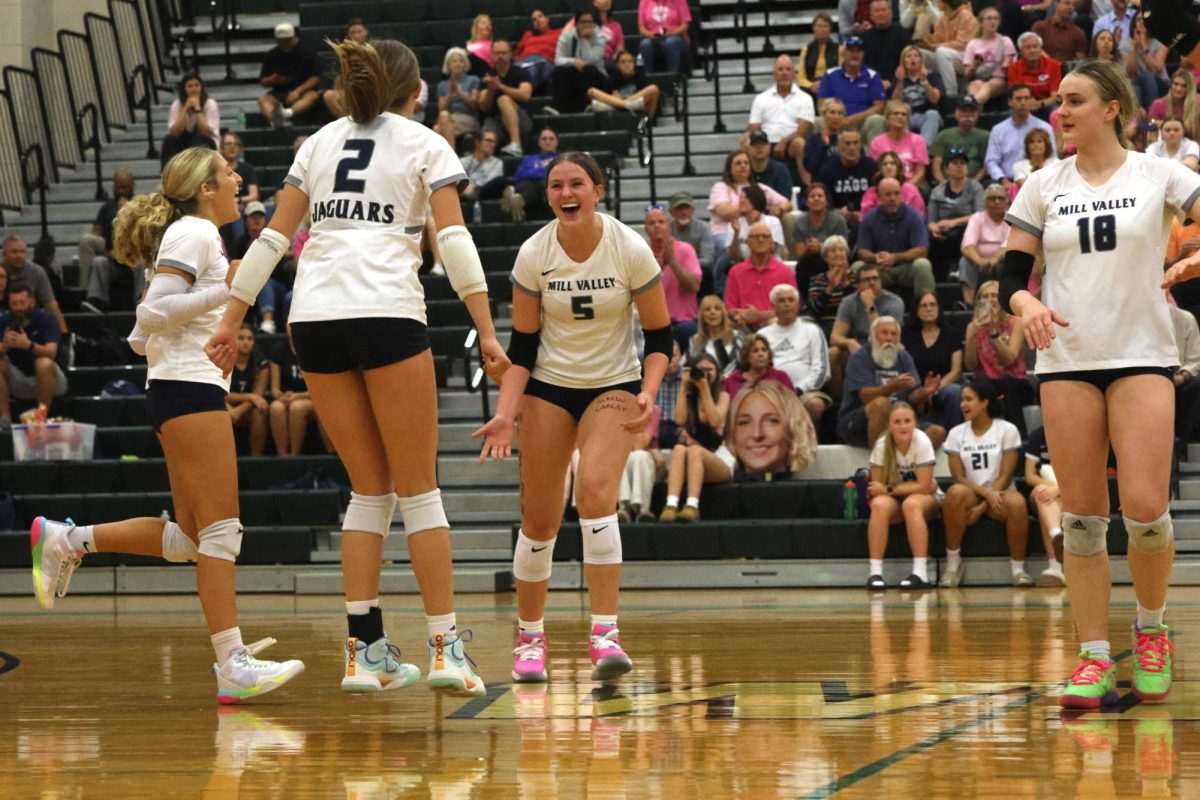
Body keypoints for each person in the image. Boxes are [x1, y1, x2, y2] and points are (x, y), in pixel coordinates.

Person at [207, 39, 507, 696]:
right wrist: (486, 329)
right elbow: (452, 240)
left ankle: (364, 652)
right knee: (418, 489)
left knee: (370, 491)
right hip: (385, 312)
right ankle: (446, 649)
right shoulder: (427, 142)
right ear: (415, 90)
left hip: (314, 320)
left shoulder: (317, 143)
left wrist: (231, 321)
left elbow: (272, 240)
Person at [31, 146, 305, 702]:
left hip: (179, 387)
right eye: (228, 174)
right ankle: (232, 661)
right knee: (221, 534)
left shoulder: (194, 235)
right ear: (206, 187)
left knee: (191, 540)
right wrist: (229, 288)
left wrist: (207, 320)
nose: (237, 180)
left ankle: (68, 538)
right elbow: (150, 315)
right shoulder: (196, 234)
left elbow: (144, 335)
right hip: (187, 391)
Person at [1002, 59, 1200, 707]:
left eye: (1074, 101)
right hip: (1066, 360)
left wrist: (1194, 254)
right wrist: (1025, 305)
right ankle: (1091, 654)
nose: (1060, 111)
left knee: (1144, 509)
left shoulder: (1158, 171)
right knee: (1083, 519)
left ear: (1111, 108)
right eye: (1059, 101)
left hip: (1142, 353)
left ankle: (1150, 630)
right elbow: (1008, 276)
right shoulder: (1041, 184)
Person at [473, 150, 670, 684]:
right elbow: (523, 348)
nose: (566, 192)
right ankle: (530, 639)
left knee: (596, 496)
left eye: (577, 183)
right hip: (549, 387)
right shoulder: (534, 254)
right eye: (557, 184)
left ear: (597, 190)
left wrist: (650, 391)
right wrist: (505, 415)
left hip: (614, 384)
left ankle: (604, 634)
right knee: (539, 518)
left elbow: (659, 338)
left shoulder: (629, 248)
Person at [939, 379, 1030, 588]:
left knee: (1017, 503)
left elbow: (1006, 475)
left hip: (1001, 493)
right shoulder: (956, 433)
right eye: (962, 400)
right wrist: (984, 495)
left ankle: (1018, 570)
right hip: (972, 493)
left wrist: (984, 505)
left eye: (968, 399)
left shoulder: (1007, 429)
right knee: (954, 492)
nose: (963, 404)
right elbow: (959, 477)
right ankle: (953, 566)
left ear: (984, 403)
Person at [865, 402, 940, 589]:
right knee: (879, 505)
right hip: (897, 501)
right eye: (897, 421)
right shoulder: (882, 445)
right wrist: (893, 490)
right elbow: (876, 488)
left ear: (915, 423)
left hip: (926, 500)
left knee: (912, 504)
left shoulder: (922, 441)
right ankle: (875, 574)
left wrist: (890, 489)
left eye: (907, 421)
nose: (902, 426)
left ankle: (920, 573)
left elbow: (924, 487)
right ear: (889, 426)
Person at [838, 315, 943, 448]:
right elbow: (865, 396)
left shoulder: (904, 357)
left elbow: (912, 397)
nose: (889, 338)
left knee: (937, 433)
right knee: (881, 404)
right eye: (884, 333)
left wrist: (925, 391)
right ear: (873, 336)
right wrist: (892, 387)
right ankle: (880, 466)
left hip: (897, 418)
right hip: (857, 421)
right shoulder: (860, 357)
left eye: (894, 334)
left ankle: (903, 467)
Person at [659, 353, 732, 522]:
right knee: (679, 449)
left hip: (718, 457)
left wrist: (704, 389)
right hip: (693, 460)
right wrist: (684, 387)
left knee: (695, 451)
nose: (704, 374)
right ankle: (671, 505)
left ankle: (692, 506)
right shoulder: (689, 396)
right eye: (700, 370)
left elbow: (715, 420)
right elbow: (679, 420)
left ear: (718, 372)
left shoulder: (723, 396)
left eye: (709, 370)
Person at [964, 280, 1033, 433]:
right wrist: (970, 337)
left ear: (1002, 298)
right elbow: (970, 365)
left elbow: (1010, 359)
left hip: (1016, 382)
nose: (990, 300)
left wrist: (994, 332)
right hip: (987, 383)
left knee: (1005, 381)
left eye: (994, 295)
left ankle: (1019, 437)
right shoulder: (975, 326)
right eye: (985, 296)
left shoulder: (1016, 322)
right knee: (978, 384)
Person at [758, 284, 832, 425]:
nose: (787, 304)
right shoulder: (763, 334)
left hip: (805, 392)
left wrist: (798, 389)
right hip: (770, 391)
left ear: (798, 305)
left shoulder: (812, 330)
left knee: (815, 404)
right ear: (773, 306)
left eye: (790, 300)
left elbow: (822, 371)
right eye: (781, 301)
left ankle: (807, 444)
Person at [854, 177, 935, 298]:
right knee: (857, 267)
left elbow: (922, 249)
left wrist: (895, 257)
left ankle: (926, 311)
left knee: (922, 264)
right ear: (879, 197)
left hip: (905, 268)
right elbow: (862, 251)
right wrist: (876, 257)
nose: (893, 198)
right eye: (888, 195)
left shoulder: (914, 216)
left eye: (897, 194)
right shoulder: (869, 218)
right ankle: (864, 311)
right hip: (879, 270)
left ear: (902, 195)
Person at [0, 282, 67, 423]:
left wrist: (29, 345)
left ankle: (41, 417)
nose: (18, 308)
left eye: (22, 303)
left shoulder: (47, 319)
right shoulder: (4, 321)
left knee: (43, 363)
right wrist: (4, 346)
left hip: (52, 380)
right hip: (19, 380)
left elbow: (51, 353)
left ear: (32, 302)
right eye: (14, 304)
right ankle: (5, 419)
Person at [708, 148, 789, 258]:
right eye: (738, 163)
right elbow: (725, 212)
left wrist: (780, 209)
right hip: (724, 231)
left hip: (757, 232)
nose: (743, 166)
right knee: (726, 252)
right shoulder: (721, 187)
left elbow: (786, 203)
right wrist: (753, 207)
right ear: (729, 168)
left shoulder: (759, 188)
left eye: (746, 163)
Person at [728, 378, 818, 476]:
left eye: (772, 421)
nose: (757, 434)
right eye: (744, 422)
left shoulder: (827, 489)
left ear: (794, 429)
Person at [743, 55, 816, 175]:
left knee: (799, 143)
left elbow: (804, 128)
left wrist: (784, 141)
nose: (784, 73)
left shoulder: (805, 98)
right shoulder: (761, 98)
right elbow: (754, 126)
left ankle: (805, 179)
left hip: (791, 144)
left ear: (794, 73)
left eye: (788, 69)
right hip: (764, 142)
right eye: (780, 69)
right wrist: (746, 136)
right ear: (774, 74)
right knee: (745, 142)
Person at [904, 290, 963, 429]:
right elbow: (902, 365)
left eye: (932, 305)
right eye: (924, 305)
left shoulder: (952, 334)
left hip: (944, 383)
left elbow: (956, 371)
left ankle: (952, 439)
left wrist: (933, 389)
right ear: (916, 310)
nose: (929, 308)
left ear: (939, 308)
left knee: (955, 392)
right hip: (914, 385)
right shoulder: (906, 335)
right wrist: (923, 391)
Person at [644, 204, 702, 347]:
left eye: (661, 222)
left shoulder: (686, 249)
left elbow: (694, 286)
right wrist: (662, 265)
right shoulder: (641, 253)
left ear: (669, 226)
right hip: (653, 323)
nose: (657, 226)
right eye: (652, 223)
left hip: (683, 322)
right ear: (645, 229)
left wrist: (673, 262)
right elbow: (638, 291)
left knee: (687, 329)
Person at [724, 220, 798, 330]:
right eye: (755, 236)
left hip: (777, 327)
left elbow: (793, 309)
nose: (760, 239)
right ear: (748, 242)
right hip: (744, 327)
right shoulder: (736, 272)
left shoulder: (785, 272)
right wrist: (742, 315)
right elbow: (730, 308)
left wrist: (759, 315)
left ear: (772, 243)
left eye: (765, 236)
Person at [817, 36, 888, 143]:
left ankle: (875, 158)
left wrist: (852, 120)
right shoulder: (830, 74)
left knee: (877, 120)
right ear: (843, 53)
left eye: (858, 51)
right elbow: (822, 104)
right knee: (817, 121)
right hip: (835, 123)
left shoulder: (872, 75)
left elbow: (879, 106)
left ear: (863, 54)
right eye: (850, 51)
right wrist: (836, 120)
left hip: (862, 124)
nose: (854, 55)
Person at [926, 148, 984, 277]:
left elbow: (980, 215)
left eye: (963, 163)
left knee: (965, 232)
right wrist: (934, 228)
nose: (960, 167)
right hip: (944, 232)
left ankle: (961, 271)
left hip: (967, 228)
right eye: (955, 163)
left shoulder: (975, 187)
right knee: (933, 239)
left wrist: (955, 222)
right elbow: (931, 220)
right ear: (947, 169)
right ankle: (938, 277)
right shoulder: (937, 191)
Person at [985, 84, 1055, 186]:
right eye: (1018, 99)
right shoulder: (998, 130)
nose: (1023, 103)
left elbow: (1052, 157)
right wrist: (1003, 180)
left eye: (1027, 98)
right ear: (1009, 102)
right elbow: (991, 161)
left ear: (1032, 101)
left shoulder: (1044, 128)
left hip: (1040, 182)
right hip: (1006, 182)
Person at [1023, 424, 1066, 587]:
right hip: (1046, 487)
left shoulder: (1080, 431)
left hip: (1072, 491)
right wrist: (1054, 488)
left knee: (1048, 500)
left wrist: (1060, 489)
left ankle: (1055, 567)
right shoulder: (1038, 435)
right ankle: (1057, 536)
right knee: (1042, 493)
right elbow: (1029, 476)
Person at [257, 23, 322, 128]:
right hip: (279, 92)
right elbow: (263, 81)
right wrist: (273, 79)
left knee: (312, 96)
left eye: (287, 41)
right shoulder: (272, 54)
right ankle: (275, 120)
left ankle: (287, 114)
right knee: (263, 99)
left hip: (303, 91)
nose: (284, 44)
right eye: (280, 41)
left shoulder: (307, 52)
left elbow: (316, 77)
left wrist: (297, 91)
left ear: (295, 38)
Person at [830, 263, 906, 354]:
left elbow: (882, 335)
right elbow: (834, 337)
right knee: (833, 353)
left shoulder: (894, 301)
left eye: (875, 278)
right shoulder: (849, 301)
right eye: (866, 280)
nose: (872, 283)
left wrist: (869, 304)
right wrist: (849, 342)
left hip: (886, 347)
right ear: (858, 285)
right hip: (858, 347)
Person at [267, 328, 319, 456]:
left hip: (309, 397)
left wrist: (297, 396)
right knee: (276, 407)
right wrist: (280, 395)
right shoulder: (278, 350)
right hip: (287, 396)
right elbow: (274, 389)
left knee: (297, 408)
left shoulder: (315, 350)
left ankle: (295, 455)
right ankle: (283, 456)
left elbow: (319, 390)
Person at [792, 183, 850, 298]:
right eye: (812, 196)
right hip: (809, 260)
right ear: (807, 202)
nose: (816, 199)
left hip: (833, 260)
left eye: (820, 196)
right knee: (802, 265)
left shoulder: (838, 221)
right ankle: (807, 302)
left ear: (826, 201)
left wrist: (821, 248)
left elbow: (844, 249)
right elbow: (799, 253)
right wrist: (809, 248)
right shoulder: (799, 223)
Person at [817, 127, 878, 234]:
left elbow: (880, 197)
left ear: (861, 145)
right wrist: (836, 212)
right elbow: (822, 200)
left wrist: (863, 213)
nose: (852, 147)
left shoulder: (872, 167)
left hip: (869, 219)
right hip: (836, 220)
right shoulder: (827, 169)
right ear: (839, 146)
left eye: (855, 143)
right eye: (847, 143)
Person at [959, 183, 1011, 305]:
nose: (997, 201)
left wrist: (996, 258)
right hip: (980, 262)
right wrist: (980, 261)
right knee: (965, 262)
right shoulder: (977, 218)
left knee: (1011, 260)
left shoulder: (1012, 218)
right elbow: (967, 245)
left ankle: (1006, 304)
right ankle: (969, 305)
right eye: (992, 198)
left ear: (1007, 201)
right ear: (985, 202)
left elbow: (1011, 243)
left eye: (1001, 198)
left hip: (1003, 259)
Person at [480, 40, 533, 158]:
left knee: (503, 99)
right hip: (496, 120)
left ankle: (516, 144)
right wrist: (490, 89)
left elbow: (525, 95)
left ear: (510, 54)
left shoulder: (520, 72)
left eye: (504, 53)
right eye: (497, 53)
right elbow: (484, 107)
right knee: (486, 137)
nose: (500, 57)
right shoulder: (489, 75)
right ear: (492, 55)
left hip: (521, 119)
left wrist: (501, 87)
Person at [550, 9, 610, 114]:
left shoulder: (600, 37)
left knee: (588, 70)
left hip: (596, 75)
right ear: (576, 24)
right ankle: (560, 109)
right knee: (559, 71)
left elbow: (590, 60)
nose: (587, 25)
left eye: (590, 22)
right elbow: (557, 59)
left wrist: (585, 39)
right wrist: (573, 61)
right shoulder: (566, 36)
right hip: (574, 73)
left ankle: (585, 107)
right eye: (583, 22)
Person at [2, 237, 66, 333]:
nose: (19, 256)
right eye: (14, 252)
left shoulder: (37, 271)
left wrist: (64, 334)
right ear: (4, 255)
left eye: (22, 252)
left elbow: (51, 305)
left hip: (31, 324)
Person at [915, 0, 978, 95]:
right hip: (948, 55)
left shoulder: (966, 16)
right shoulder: (942, 18)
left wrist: (933, 46)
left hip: (966, 59)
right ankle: (924, 90)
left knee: (942, 52)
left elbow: (962, 44)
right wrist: (923, 38)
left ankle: (951, 94)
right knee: (920, 53)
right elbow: (936, 40)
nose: (937, 2)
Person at [227, 323, 268, 456]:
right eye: (241, 338)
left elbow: (259, 397)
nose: (246, 342)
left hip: (249, 409)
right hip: (227, 406)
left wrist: (238, 411)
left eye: (250, 339)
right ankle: (223, 458)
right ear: (233, 339)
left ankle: (256, 458)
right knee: (218, 408)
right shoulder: (225, 360)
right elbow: (220, 394)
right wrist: (249, 397)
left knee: (260, 411)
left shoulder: (261, 363)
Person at [162, 73, 219, 166]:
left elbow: (207, 131)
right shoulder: (177, 104)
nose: (194, 89)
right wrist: (185, 108)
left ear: (201, 87)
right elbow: (174, 131)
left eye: (197, 85)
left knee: (201, 140)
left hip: (206, 141)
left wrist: (197, 108)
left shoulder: (210, 103)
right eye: (190, 86)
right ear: (184, 89)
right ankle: (167, 174)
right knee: (169, 140)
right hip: (184, 141)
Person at [963, 8, 1016, 108]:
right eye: (989, 19)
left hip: (999, 79)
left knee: (988, 85)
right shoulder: (973, 44)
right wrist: (974, 66)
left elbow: (1008, 64)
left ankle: (970, 105)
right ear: (981, 23)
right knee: (975, 86)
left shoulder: (1005, 41)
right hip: (979, 77)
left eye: (996, 19)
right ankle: (972, 109)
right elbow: (967, 74)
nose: (993, 22)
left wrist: (1006, 64)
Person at [931, 95, 989, 184]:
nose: (967, 114)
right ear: (956, 113)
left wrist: (973, 184)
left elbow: (987, 166)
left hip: (977, 184)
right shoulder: (943, 136)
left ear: (977, 114)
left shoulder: (986, 136)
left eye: (971, 111)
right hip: (946, 184)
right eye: (963, 111)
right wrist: (946, 186)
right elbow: (936, 168)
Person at [869, 101, 930, 186]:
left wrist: (906, 187)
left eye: (904, 114)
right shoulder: (877, 142)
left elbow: (920, 172)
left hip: (912, 184)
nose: (900, 117)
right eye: (896, 113)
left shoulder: (918, 140)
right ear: (887, 117)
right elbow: (876, 171)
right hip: (886, 185)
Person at [588, 47, 661, 117]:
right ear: (618, 65)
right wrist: (615, 99)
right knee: (591, 91)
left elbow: (649, 102)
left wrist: (623, 100)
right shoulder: (612, 78)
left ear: (634, 64)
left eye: (630, 61)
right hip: (616, 107)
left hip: (637, 108)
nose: (627, 64)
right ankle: (625, 104)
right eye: (623, 62)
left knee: (653, 89)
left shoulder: (641, 78)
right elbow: (606, 96)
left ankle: (625, 104)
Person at [892, 47, 942, 147]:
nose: (913, 59)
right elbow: (895, 102)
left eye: (916, 56)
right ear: (903, 61)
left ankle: (924, 148)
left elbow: (935, 100)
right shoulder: (898, 77)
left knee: (933, 114)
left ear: (921, 60)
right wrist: (900, 81)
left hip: (926, 115)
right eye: (909, 56)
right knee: (899, 116)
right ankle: (905, 149)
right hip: (907, 117)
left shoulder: (932, 76)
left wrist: (924, 81)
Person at [1119, 11, 1169, 111]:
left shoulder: (1161, 42)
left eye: (1145, 19)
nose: (1142, 22)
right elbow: (1130, 73)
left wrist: (1143, 45)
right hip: (1136, 81)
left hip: (1160, 82)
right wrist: (1136, 47)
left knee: (1148, 76)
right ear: (1134, 23)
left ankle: (1152, 115)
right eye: (1138, 19)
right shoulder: (1125, 43)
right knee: (1136, 89)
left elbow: (1156, 69)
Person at [322, 19, 372, 118]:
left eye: (359, 32)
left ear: (366, 33)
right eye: (353, 33)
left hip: (369, 89)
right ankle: (346, 120)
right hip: (349, 88)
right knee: (329, 95)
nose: (356, 35)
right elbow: (339, 78)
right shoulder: (343, 53)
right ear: (348, 35)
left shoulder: (373, 50)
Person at [724, 333, 796, 399]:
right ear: (746, 356)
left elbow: (792, 406)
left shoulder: (780, 377)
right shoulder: (732, 381)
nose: (761, 354)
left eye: (764, 350)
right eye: (755, 351)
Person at [435, 47, 482, 151]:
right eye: (454, 61)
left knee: (438, 129)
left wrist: (459, 92)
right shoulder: (442, 85)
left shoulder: (473, 80)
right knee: (442, 119)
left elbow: (474, 105)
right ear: (448, 65)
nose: (458, 64)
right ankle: (454, 156)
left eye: (461, 61)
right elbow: (441, 109)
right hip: (448, 118)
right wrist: (451, 94)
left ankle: (450, 157)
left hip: (467, 117)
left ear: (465, 64)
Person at [1170, 303, 1200, 459]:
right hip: (1145, 380)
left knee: (1196, 385)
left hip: (1178, 380)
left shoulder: (1185, 318)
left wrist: (1182, 376)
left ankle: (1179, 443)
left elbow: (1195, 359)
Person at [688, 295, 744, 378]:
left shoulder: (736, 336)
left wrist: (724, 376)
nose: (712, 312)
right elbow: (691, 364)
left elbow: (742, 362)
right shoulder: (694, 340)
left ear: (723, 314)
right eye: (707, 309)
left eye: (717, 309)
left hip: (733, 384)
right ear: (702, 316)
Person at [860, 151, 927, 220]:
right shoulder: (871, 192)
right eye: (885, 164)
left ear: (898, 167)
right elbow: (865, 218)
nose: (888, 167)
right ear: (880, 169)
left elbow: (919, 216)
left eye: (892, 163)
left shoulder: (910, 190)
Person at [807, 234, 857, 326]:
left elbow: (858, 305)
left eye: (841, 250)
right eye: (833, 251)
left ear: (846, 254)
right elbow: (814, 309)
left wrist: (845, 283)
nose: (838, 253)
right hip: (826, 323)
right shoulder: (817, 279)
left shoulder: (856, 277)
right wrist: (830, 288)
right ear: (825, 257)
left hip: (851, 322)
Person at [1006, 34, 1061, 116]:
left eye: (1035, 47)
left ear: (1041, 49)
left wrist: (1039, 104)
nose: (1032, 50)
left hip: (1047, 105)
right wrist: (1028, 104)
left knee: (1056, 112)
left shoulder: (1054, 65)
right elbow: (1016, 94)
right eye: (1028, 48)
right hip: (1023, 103)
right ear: (1021, 51)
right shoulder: (1013, 68)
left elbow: (1055, 96)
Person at [667, 191, 715, 284]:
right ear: (671, 212)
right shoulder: (666, 230)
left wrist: (685, 265)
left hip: (697, 273)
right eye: (679, 208)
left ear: (693, 210)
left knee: (706, 271)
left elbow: (708, 259)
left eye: (686, 208)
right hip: (672, 272)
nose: (684, 212)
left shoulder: (703, 228)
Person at [864, 0, 910, 93]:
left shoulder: (902, 35)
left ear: (891, 13)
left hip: (899, 84)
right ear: (871, 15)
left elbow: (908, 63)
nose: (880, 13)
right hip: (869, 84)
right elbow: (861, 66)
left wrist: (892, 82)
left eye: (884, 10)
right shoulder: (863, 38)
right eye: (877, 11)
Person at [801, 98, 848, 187]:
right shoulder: (814, 140)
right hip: (822, 184)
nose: (836, 117)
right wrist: (825, 146)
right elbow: (811, 167)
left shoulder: (850, 140)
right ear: (823, 114)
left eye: (840, 113)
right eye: (832, 112)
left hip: (844, 183)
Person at [637, 0, 691, 74]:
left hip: (677, 38)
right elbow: (641, 28)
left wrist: (671, 33)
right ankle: (647, 78)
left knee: (670, 43)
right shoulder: (644, 1)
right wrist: (650, 34)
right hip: (654, 38)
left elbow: (685, 26)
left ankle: (672, 78)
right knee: (645, 44)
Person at [515, 8, 562, 89]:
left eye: (540, 16)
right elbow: (516, 54)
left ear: (547, 19)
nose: (538, 20)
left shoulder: (558, 33)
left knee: (534, 69)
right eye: (534, 19)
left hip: (544, 62)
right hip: (525, 61)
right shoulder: (528, 35)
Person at [1149, 70, 1200, 142]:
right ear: (1171, 85)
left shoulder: (1197, 103)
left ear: (1190, 88)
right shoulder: (1158, 105)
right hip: (1165, 146)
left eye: (1184, 86)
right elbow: (1152, 133)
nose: (1178, 88)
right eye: (1176, 84)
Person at [746, 129, 794, 202]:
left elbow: (786, 198)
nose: (759, 147)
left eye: (763, 143)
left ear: (769, 147)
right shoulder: (743, 169)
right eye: (755, 144)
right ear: (748, 148)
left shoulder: (780, 169)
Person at [798, 13, 841, 93]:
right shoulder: (806, 50)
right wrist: (811, 85)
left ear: (830, 29)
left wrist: (825, 85)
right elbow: (801, 78)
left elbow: (840, 75)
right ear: (813, 28)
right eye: (819, 26)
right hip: (811, 89)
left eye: (825, 26)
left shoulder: (839, 49)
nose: (822, 29)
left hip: (832, 88)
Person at [460, 130, 506, 203]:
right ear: (478, 142)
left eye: (495, 142)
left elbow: (490, 182)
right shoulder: (463, 161)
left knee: (500, 181)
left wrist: (474, 187)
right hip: (464, 193)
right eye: (489, 141)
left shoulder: (497, 163)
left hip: (483, 193)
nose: (493, 145)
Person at [220, 134, 260, 212]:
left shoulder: (247, 168)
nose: (232, 147)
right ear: (222, 147)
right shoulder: (217, 168)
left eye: (236, 144)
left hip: (243, 207)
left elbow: (254, 195)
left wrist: (238, 200)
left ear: (240, 148)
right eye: (228, 144)